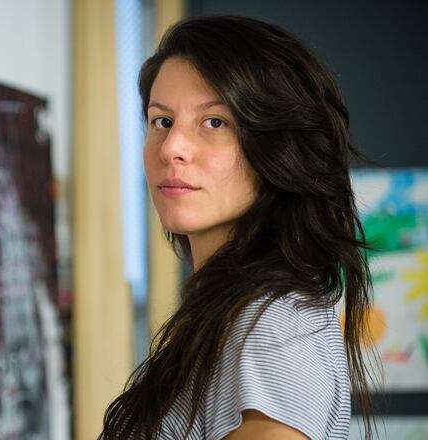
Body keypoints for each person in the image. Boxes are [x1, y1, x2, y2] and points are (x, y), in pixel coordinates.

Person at [102, 16, 374, 440]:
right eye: (162, 121)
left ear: (277, 148)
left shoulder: (274, 324)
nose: (172, 148)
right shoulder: (227, 312)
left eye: (214, 123)